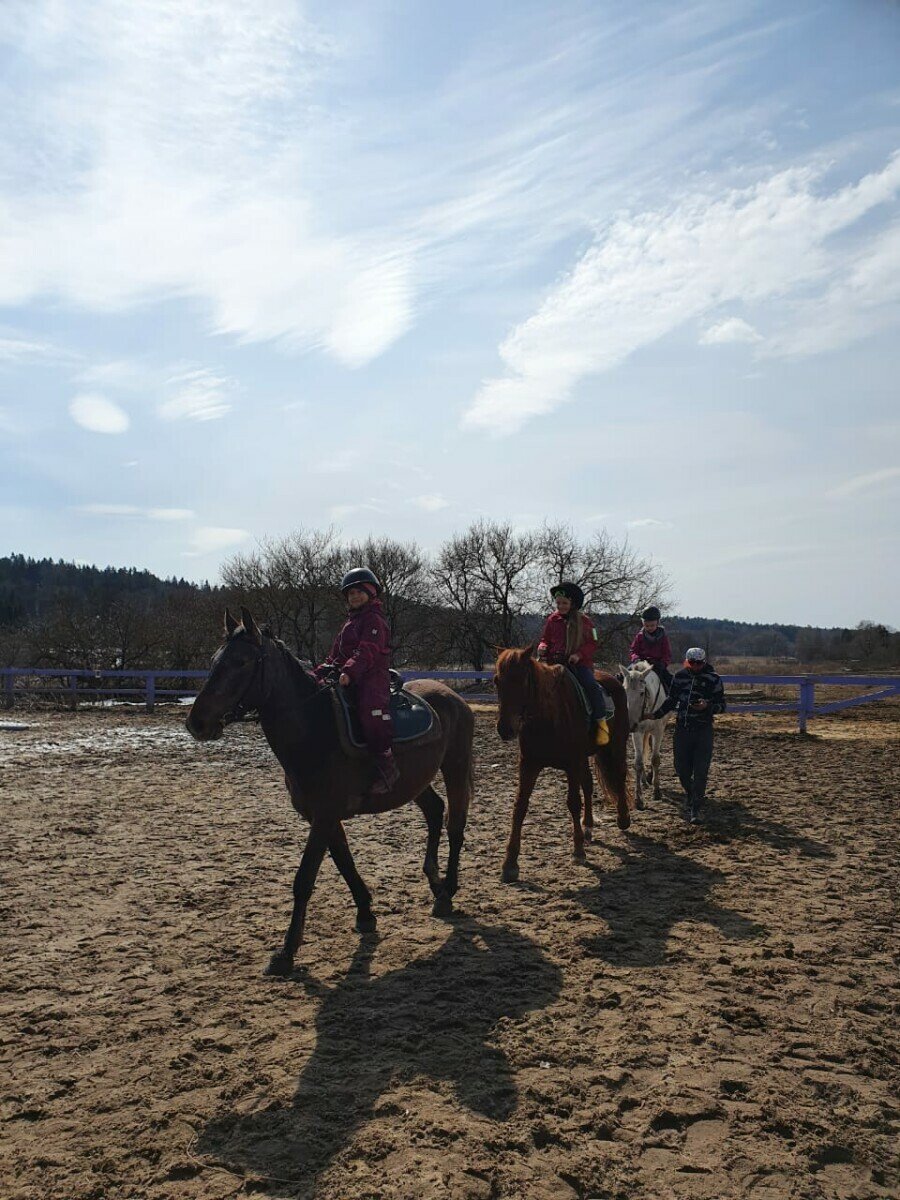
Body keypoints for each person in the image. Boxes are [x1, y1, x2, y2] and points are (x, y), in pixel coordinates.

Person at [317, 568, 399, 795]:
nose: (354, 597)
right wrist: (319, 673)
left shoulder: (374, 620)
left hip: (371, 676)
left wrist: (349, 672)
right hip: (346, 676)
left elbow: (368, 651)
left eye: (359, 592)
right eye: (350, 593)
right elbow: (334, 655)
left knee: (370, 711)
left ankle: (386, 763)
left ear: (371, 593)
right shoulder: (348, 624)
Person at [652, 646, 725, 823]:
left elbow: (722, 705)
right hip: (682, 728)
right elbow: (671, 700)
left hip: (703, 730)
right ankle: (691, 794)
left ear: (704, 662)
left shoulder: (713, 679)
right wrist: (656, 715)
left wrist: (707, 706)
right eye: (692, 663)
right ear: (687, 661)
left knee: (701, 771)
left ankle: (695, 808)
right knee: (680, 767)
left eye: (699, 663)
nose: (696, 666)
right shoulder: (680, 677)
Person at [536, 582, 615, 746]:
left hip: (578, 664)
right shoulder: (552, 620)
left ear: (572, 604)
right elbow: (546, 639)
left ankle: (601, 723)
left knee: (591, 686)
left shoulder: (585, 621)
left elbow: (593, 643)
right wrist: (542, 647)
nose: (561, 606)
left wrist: (579, 655)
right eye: (558, 603)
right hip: (554, 663)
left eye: (564, 603)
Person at [629, 605, 673, 690]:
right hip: (640, 663)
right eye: (647, 626)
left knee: (671, 682)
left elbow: (667, 653)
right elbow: (633, 650)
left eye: (652, 625)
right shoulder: (640, 636)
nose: (649, 628)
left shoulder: (663, 636)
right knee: (624, 675)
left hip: (657, 664)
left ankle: (672, 700)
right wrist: (635, 658)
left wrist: (663, 663)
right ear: (643, 624)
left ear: (657, 623)